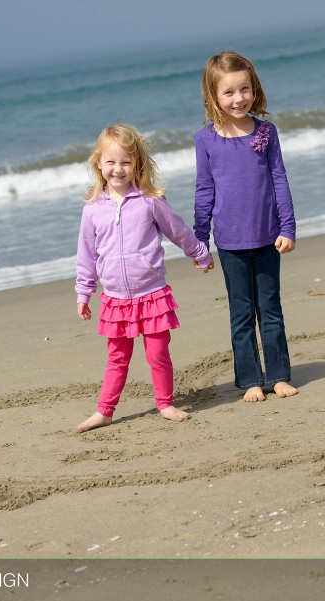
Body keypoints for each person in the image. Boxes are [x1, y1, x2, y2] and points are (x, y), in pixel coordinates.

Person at [74, 124, 213, 432]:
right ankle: (105, 411)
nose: (118, 169)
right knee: (117, 358)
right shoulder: (93, 209)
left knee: (158, 354)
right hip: (116, 299)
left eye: (125, 161)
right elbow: (86, 255)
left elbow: (177, 230)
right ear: (98, 163)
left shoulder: (149, 200)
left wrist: (199, 253)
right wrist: (84, 293)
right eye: (111, 162)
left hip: (151, 294)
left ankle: (165, 403)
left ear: (137, 164)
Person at [193, 50, 299, 403]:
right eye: (229, 92)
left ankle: (280, 375)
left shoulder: (266, 132)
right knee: (241, 314)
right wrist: (199, 240)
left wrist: (288, 227)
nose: (239, 98)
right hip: (230, 242)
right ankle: (251, 380)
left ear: (254, 89)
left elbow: (279, 179)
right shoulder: (206, 139)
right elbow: (204, 190)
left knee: (271, 308)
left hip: (269, 236)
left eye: (245, 90)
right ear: (213, 96)